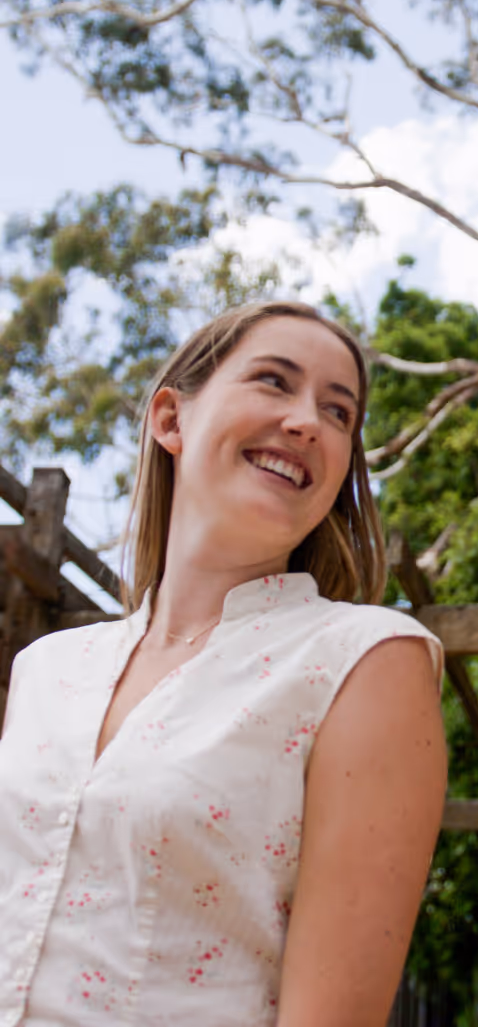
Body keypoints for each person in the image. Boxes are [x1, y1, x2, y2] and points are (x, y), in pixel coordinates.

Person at [0, 302, 447, 1025]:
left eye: (339, 413)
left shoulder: (364, 663)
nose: (308, 421)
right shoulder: (45, 669)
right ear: (171, 420)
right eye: (275, 382)